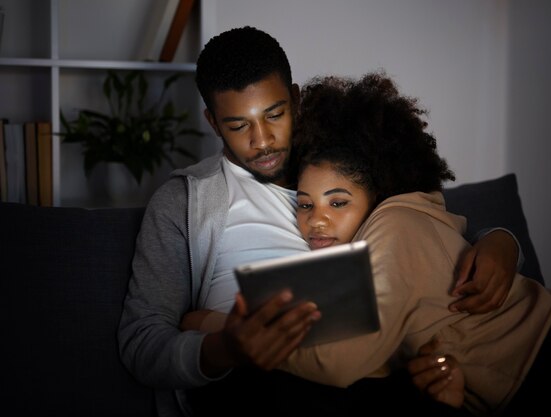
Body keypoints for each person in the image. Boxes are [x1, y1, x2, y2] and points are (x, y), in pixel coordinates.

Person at [118, 26, 524, 416]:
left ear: (295, 100)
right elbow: (142, 342)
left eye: (274, 115)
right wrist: (225, 346)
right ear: (212, 122)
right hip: (257, 380)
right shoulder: (183, 201)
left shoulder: (339, 165)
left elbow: (426, 232)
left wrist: (501, 241)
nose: (262, 141)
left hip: (370, 364)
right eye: (238, 125)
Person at [273, 71, 551, 416]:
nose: (316, 219)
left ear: (377, 194)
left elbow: (340, 361)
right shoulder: (362, 255)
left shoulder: (395, 225)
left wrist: (238, 338)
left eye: (338, 202)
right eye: (305, 204)